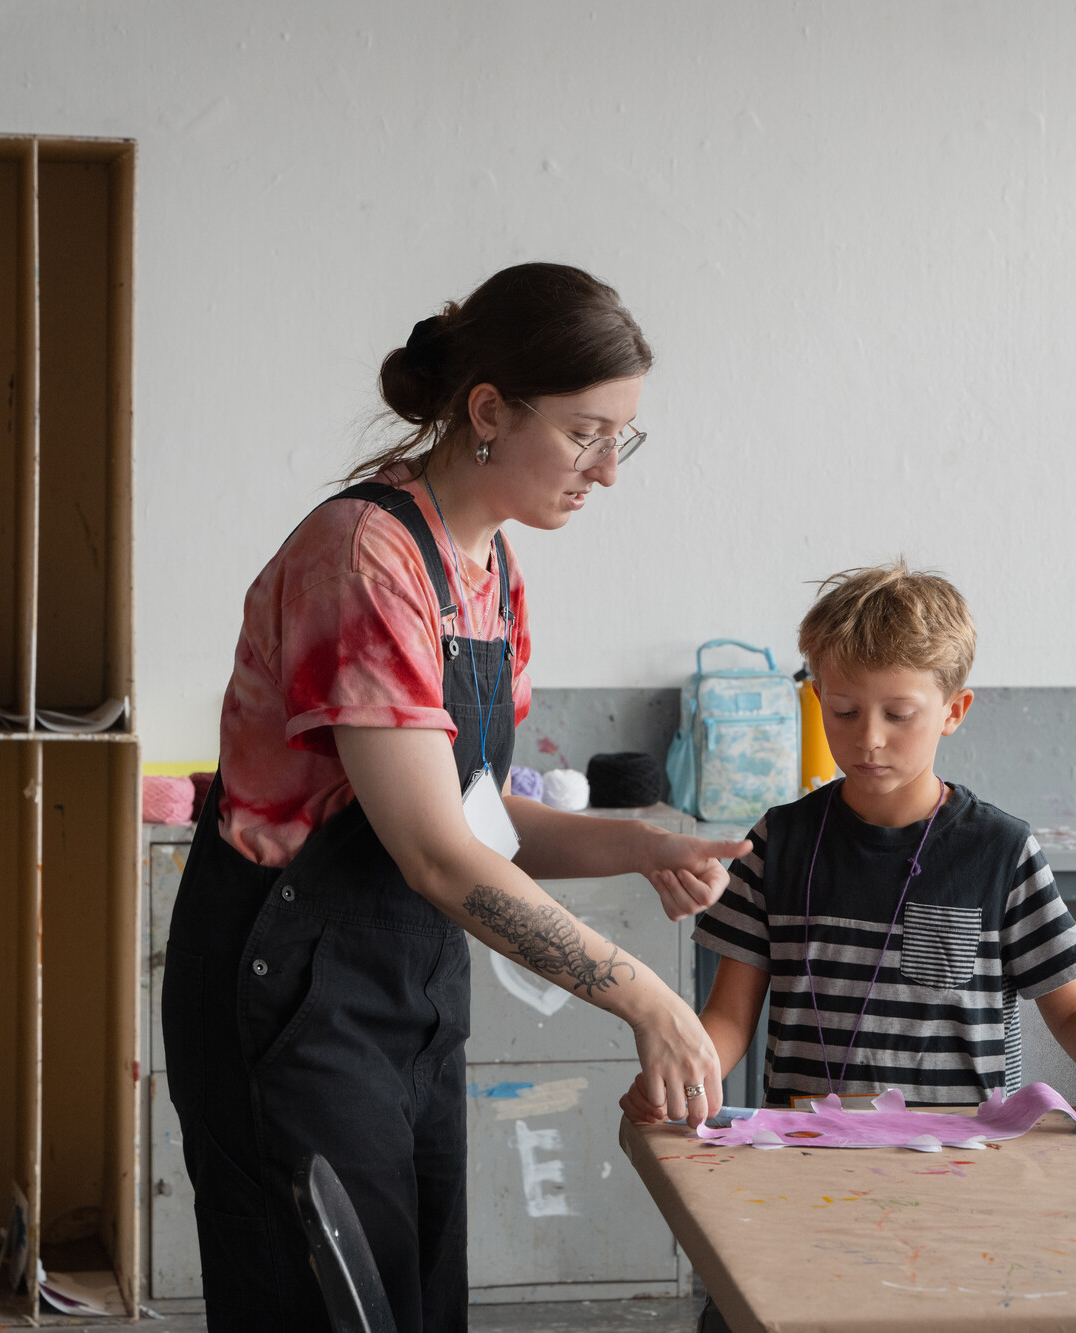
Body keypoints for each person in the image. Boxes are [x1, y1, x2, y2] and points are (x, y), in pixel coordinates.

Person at [161, 262, 749, 1333]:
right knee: (325, 1306)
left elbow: (475, 816)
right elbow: (435, 852)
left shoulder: (486, 569)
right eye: (585, 432)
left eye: (624, 436)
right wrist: (645, 996)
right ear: (488, 409)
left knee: (415, 1302)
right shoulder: (363, 557)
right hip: (289, 991)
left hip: (406, 988)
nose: (607, 471)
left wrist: (634, 843)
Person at [624, 561, 1076, 1127]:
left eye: (899, 714)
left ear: (954, 711)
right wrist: (684, 1082)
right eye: (844, 710)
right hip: (806, 1155)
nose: (869, 738)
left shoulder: (1000, 850)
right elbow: (729, 1012)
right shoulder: (779, 842)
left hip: (961, 1156)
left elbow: (1072, 1004)